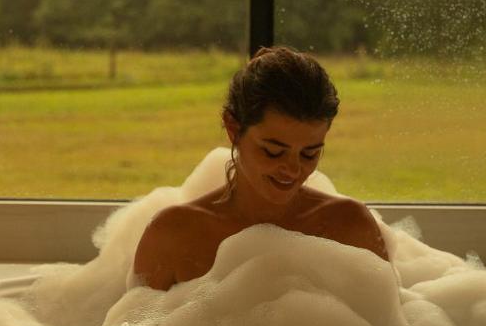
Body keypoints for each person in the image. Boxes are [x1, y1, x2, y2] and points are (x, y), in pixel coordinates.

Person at [131, 46, 389, 291]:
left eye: (310, 153)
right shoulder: (172, 236)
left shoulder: (351, 227)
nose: (292, 169)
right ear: (233, 129)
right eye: (273, 151)